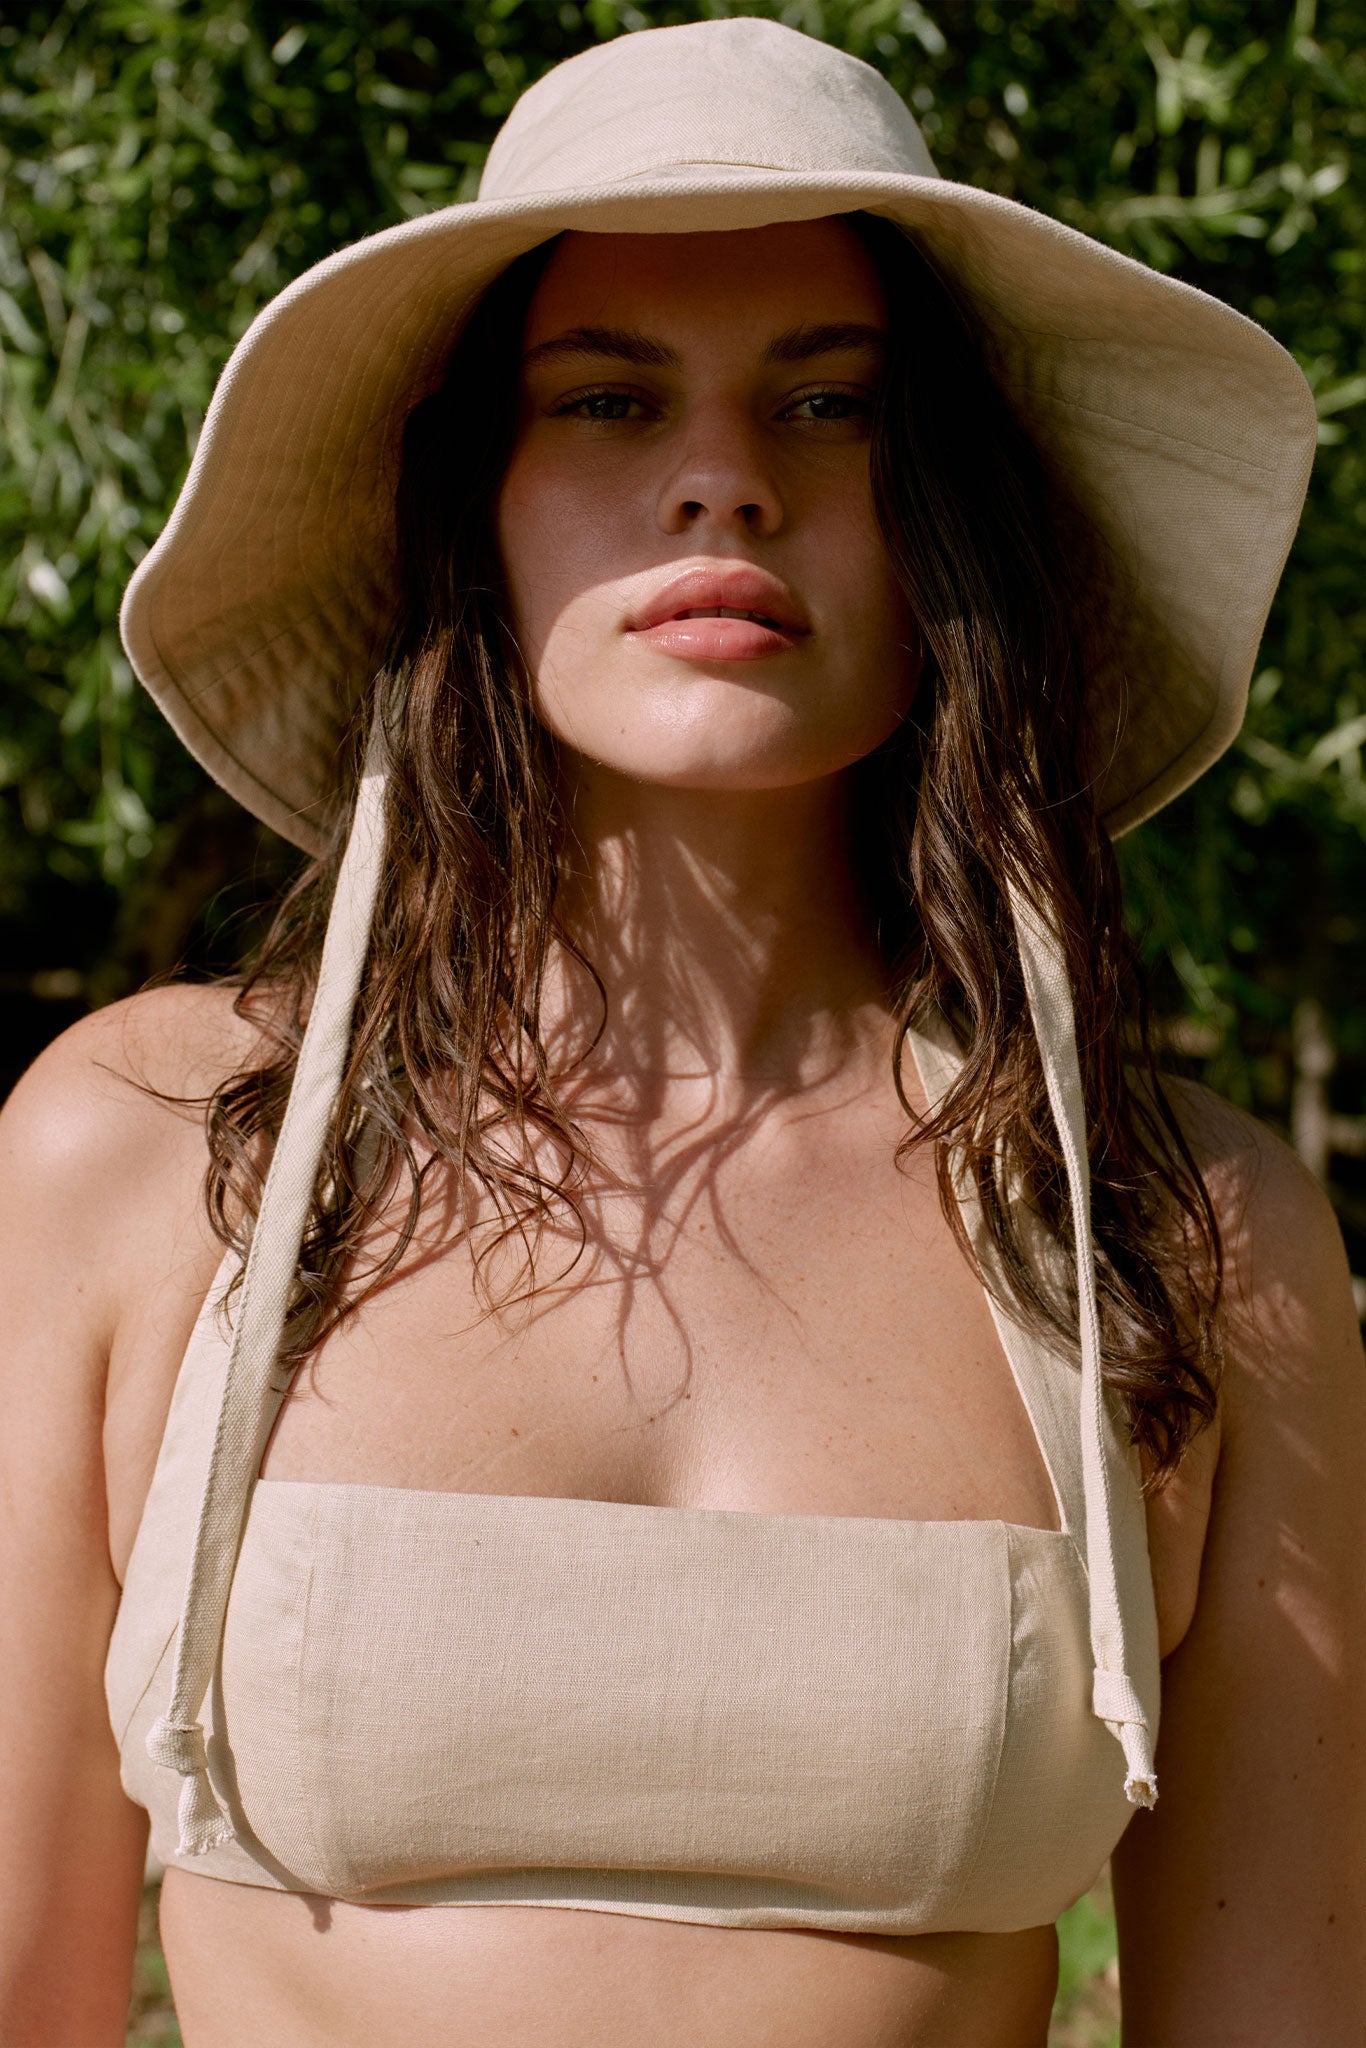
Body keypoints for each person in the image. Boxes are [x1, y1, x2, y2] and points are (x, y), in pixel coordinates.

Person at [2, 19, 1362, 2048]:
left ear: (951, 522)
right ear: (476, 502)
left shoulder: (1182, 1241)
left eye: (830, 403)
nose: (722, 478)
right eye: (608, 397)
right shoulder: (138, 1149)